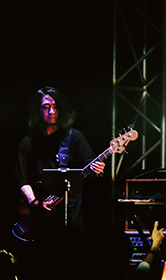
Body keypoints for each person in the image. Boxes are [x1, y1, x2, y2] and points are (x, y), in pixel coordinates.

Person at [14, 86, 105, 243]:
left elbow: (91, 168)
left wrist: (98, 169)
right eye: (46, 107)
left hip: (71, 219)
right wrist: (35, 203)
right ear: (38, 111)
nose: (52, 111)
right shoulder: (28, 143)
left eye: (55, 107)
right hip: (40, 220)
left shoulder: (74, 137)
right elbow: (21, 177)